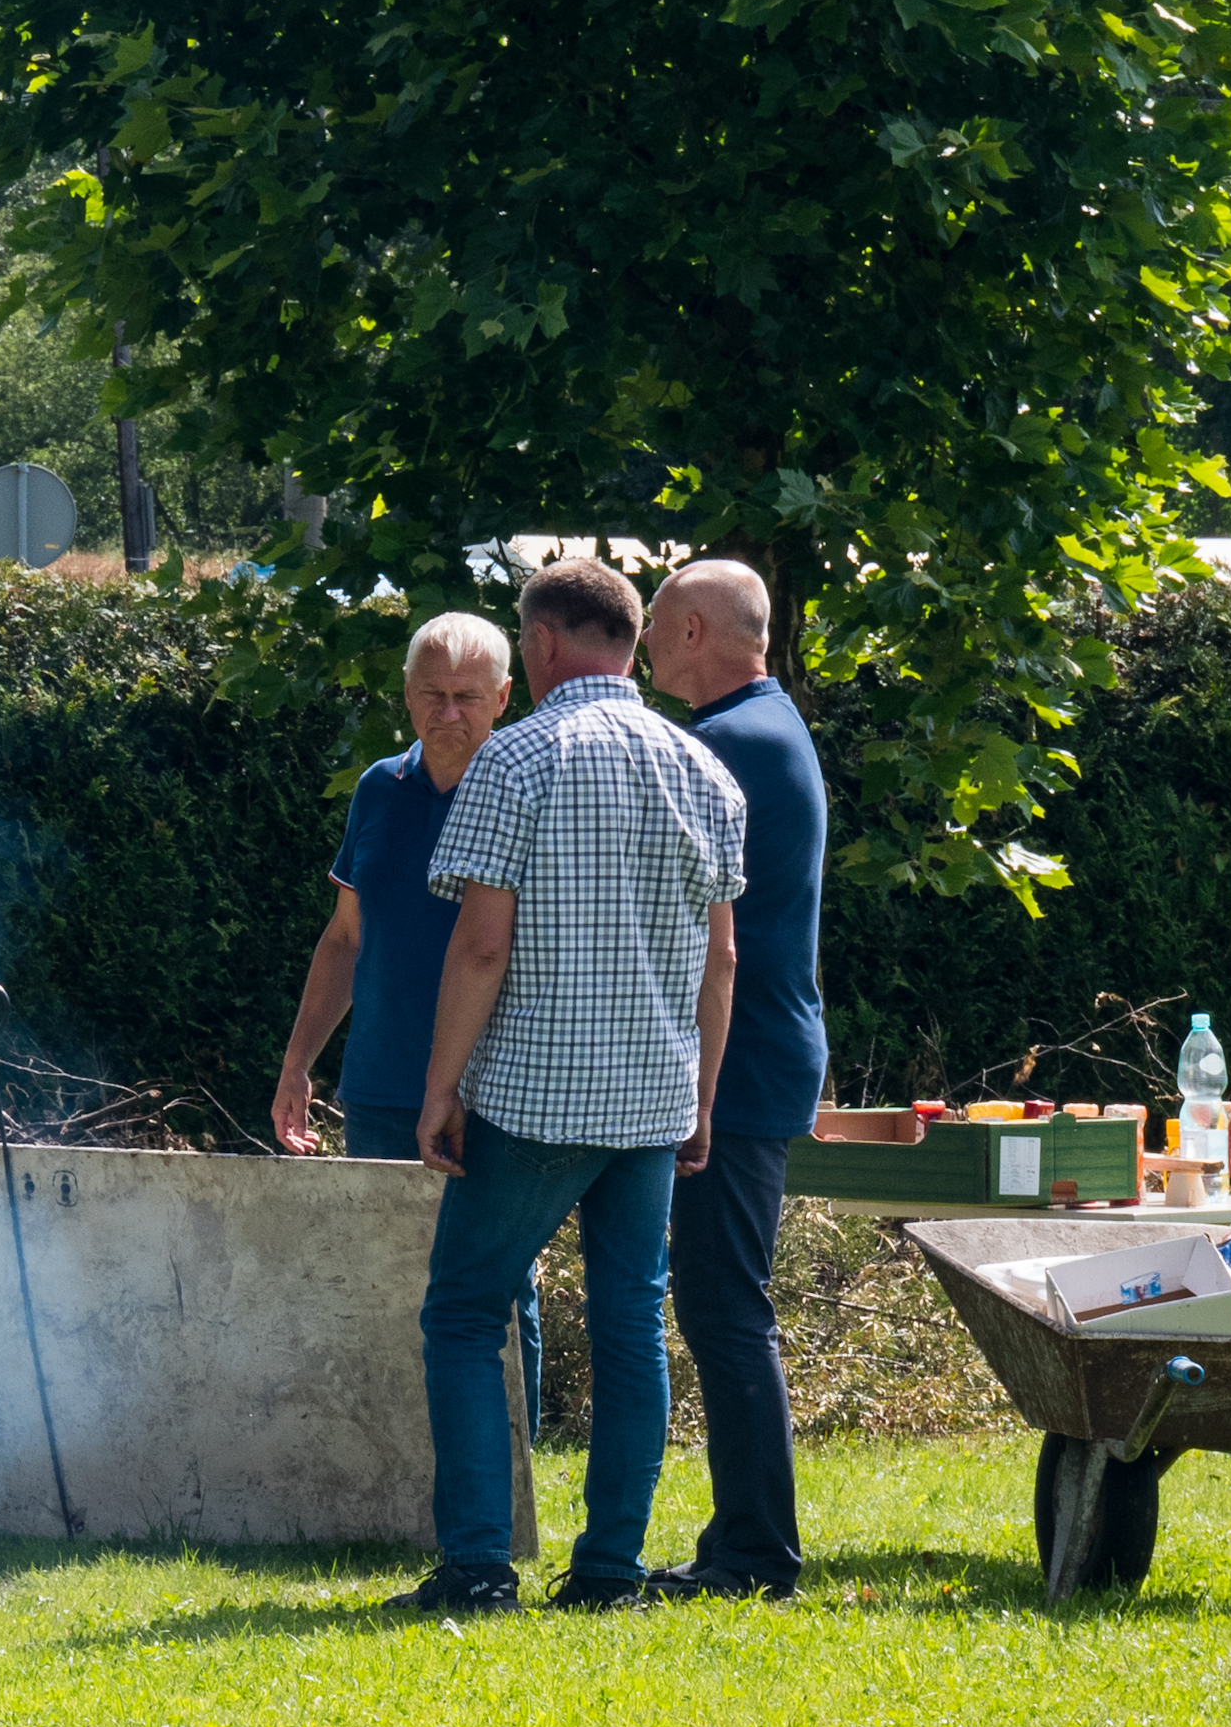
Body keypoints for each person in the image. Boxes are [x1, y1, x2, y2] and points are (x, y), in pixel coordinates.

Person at [393, 555, 746, 1615]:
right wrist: (704, 1099)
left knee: (462, 1312)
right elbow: (722, 960)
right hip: (650, 1101)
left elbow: (482, 949)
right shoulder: (705, 772)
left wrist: (439, 1089)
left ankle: (477, 1568)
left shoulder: (516, 759)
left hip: (536, 1100)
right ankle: (608, 1573)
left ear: (540, 645)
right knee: (632, 1325)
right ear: (632, 641)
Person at [269, 614, 548, 1429]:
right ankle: (403, 1456)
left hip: (495, 1086)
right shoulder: (377, 789)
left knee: (499, 1282)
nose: (449, 712)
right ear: (406, 694)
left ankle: (512, 1474)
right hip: (382, 1085)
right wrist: (298, 1067)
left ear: (504, 696)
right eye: (433, 693)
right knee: (391, 1276)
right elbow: (345, 939)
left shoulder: (527, 792)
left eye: (469, 696)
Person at [642, 559, 828, 1600]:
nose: (646, 647)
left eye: (659, 626)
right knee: (721, 1301)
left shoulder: (723, 746)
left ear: (699, 629)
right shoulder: (770, 727)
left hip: (736, 1060)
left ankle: (757, 1552)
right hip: (758, 1051)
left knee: (724, 1306)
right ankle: (741, 1539)